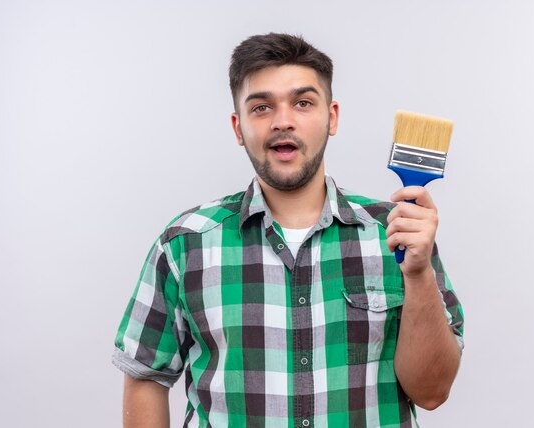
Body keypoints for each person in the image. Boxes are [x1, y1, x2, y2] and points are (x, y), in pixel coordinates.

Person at [112, 33, 464, 428]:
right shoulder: (183, 246)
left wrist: (417, 274)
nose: (283, 121)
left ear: (331, 117)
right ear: (238, 127)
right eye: (261, 107)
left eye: (302, 103)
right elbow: (145, 377)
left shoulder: (399, 236)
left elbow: (432, 392)